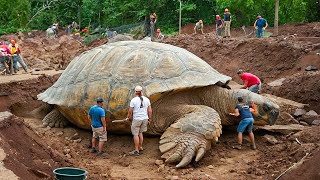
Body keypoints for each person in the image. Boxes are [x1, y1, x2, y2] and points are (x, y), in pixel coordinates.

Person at [126, 86, 152, 156]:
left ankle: (136, 150)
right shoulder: (147, 99)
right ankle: (140, 146)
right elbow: (149, 111)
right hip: (145, 119)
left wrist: (128, 118)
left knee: (135, 134)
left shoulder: (133, 100)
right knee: (140, 133)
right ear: (142, 91)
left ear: (135, 92)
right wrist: (150, 119)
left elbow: (130, 111)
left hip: (137, 119)